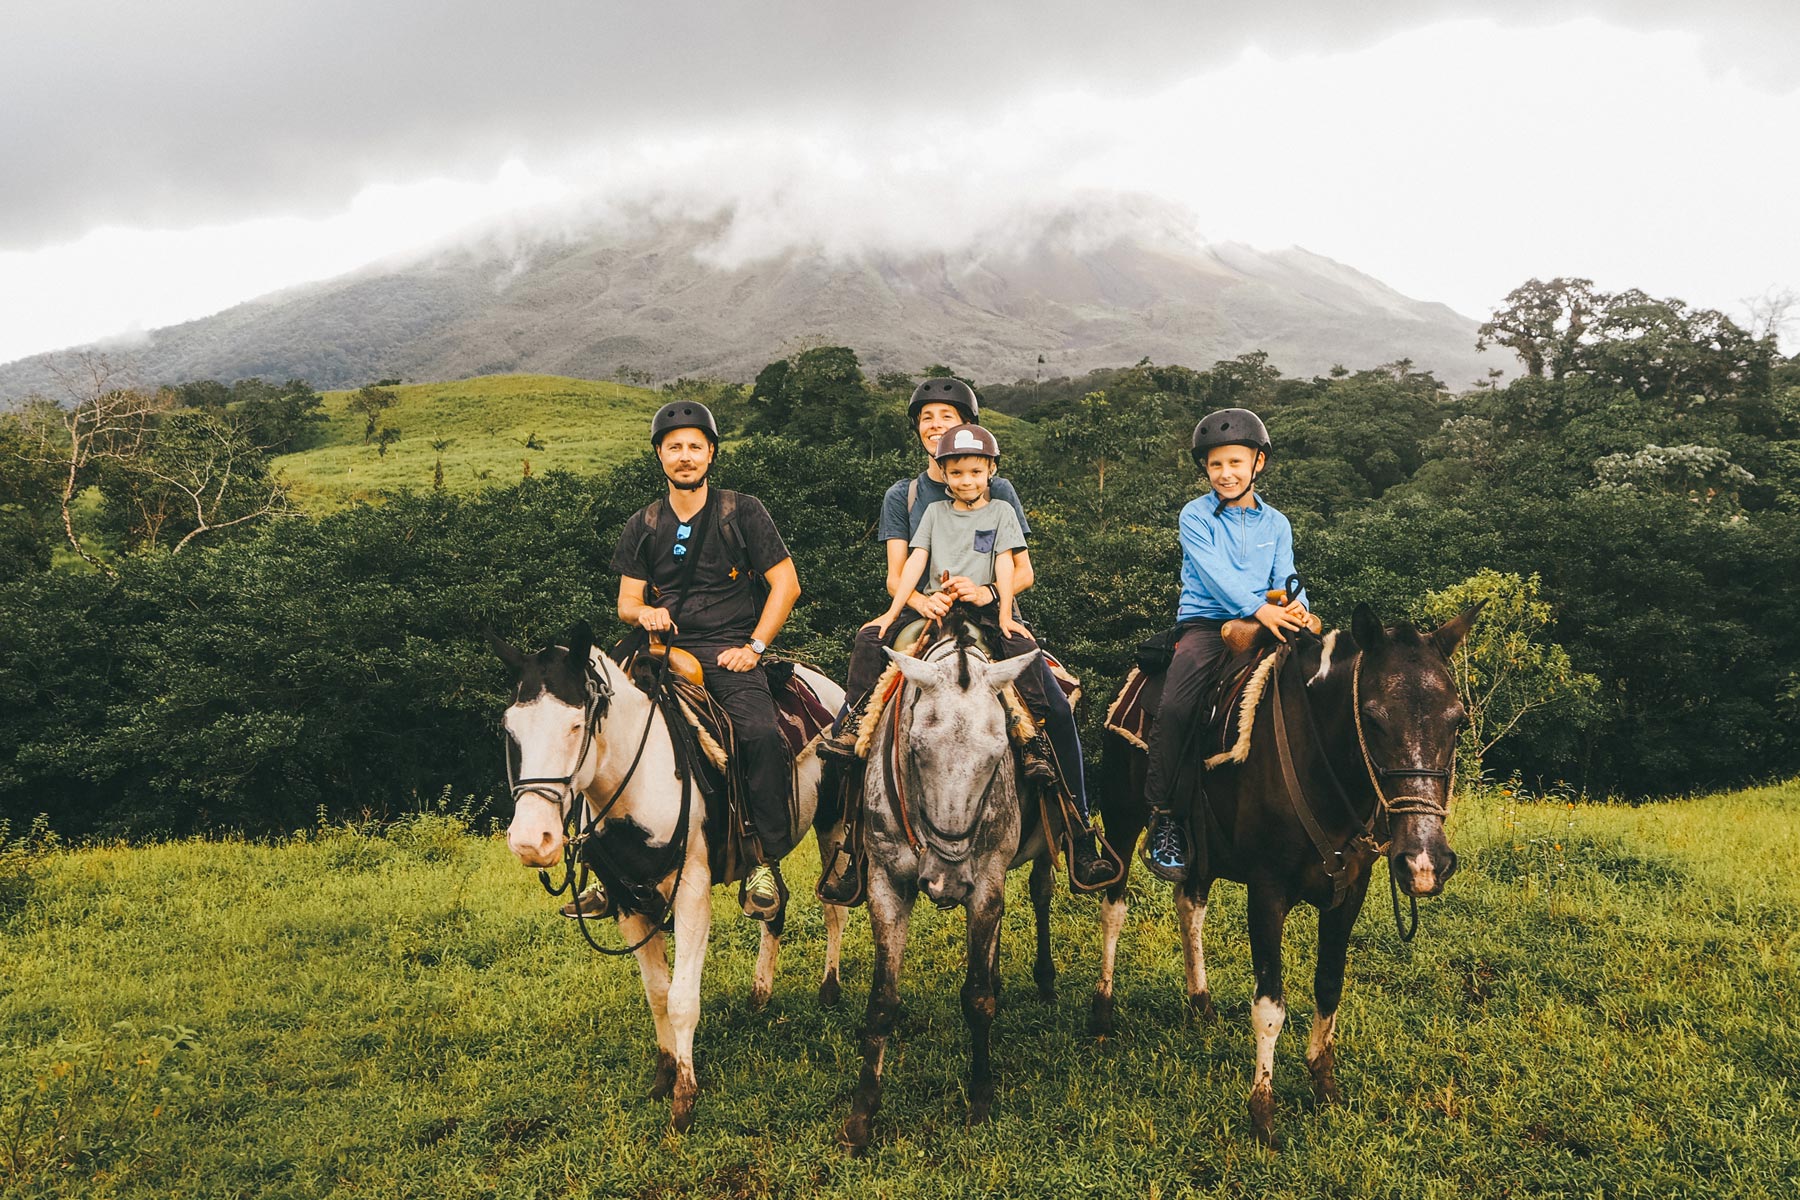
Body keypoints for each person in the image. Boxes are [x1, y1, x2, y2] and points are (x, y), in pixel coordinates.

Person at [819, 376, 1121, 895]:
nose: (937, 426)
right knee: (868, 662)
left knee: (1054, 705)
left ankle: (1078, 825)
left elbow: (1022, 571)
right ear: (918, 431)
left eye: (948, 417)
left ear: (971, 431)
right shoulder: (907, 495)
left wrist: (985, 594)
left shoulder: (996, 490)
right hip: (929, 611)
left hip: (989, 613)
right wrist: (919, 601)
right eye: (926, 419)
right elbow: (899, 572)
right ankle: (852, 836)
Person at [606, 400, 803, 920]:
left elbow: (786, 584)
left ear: (711, 454)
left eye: (695, 446)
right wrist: (645, 613)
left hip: (728, 649)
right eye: (675, 447)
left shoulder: (743, 511)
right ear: (659, 457)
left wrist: (754, 647)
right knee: (596, 722)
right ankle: (602, 863)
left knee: (759, 734)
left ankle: (765, 860)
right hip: (660, 650)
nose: (685, 456)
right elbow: (627, 602)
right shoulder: (643, 523)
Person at [1141, 407, 1311, 883]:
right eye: (1215, 465)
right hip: (1207, 625)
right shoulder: (1194, 515)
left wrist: (1298, 607)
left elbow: (1287, 577)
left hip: (1272, 619)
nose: (1225, 473)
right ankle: (1164, 817)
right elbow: (1217, 577)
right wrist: (1261, 610)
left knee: (1322, 685)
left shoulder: (1276, 523)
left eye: (1235, 462)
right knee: (1175, 707)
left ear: (1258, 463)